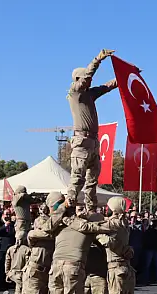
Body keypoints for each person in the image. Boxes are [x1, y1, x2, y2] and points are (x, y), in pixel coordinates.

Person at [67, 49, 118, 212]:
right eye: (85, 79)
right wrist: (98, 59)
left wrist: (126, 77)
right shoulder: (75, 92)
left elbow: (107, 87)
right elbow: (87, 78)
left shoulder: (89, 94)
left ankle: (91, 209)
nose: (89, 82)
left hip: (93, 142)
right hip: (81, 142)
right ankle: (69, 206)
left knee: (92, 181)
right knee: (77, 178)